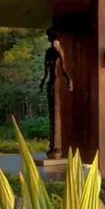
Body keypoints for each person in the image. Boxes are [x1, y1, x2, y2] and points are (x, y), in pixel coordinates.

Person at [41, 28, 73, 159]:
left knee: (56, 114)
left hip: (57, 83)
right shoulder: (48, 52)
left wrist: (70, 80)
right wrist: (42, 82)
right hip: (50, 83)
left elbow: (64, 69)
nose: (53, 41)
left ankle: (57, 147)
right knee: (52, 114)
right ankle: (52, 145)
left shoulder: (59, 51)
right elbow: (46, 71)